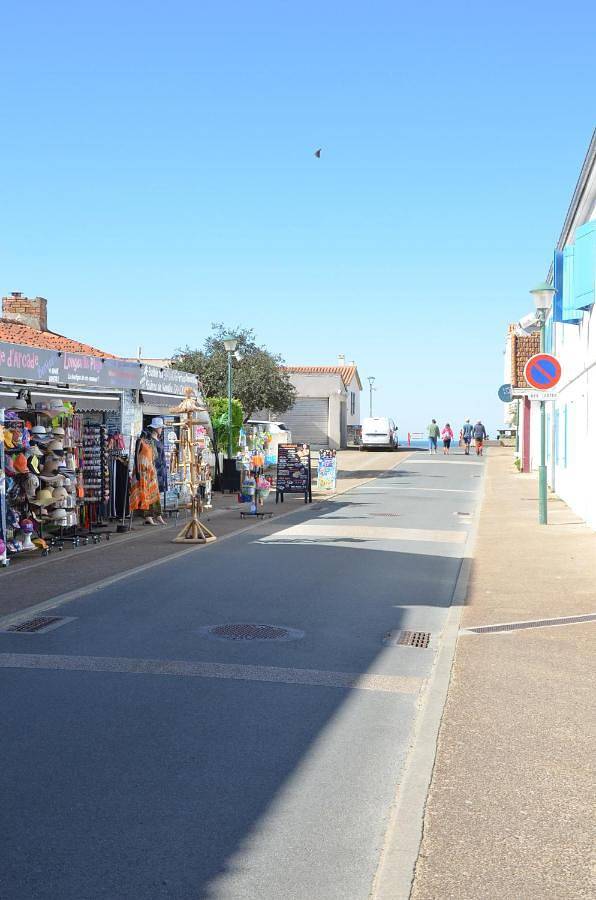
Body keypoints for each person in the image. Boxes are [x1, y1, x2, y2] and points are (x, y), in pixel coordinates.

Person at [130, 427, 165, 525]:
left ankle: (158, 514)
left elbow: (155, 457)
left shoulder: (151, 442)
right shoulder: (139, 441)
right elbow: (136, 456)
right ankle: (148, 516)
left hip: (150, 470)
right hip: (141, 471)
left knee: (154, 493)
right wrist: (137, 472)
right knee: (144, 494)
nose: (148, 434)